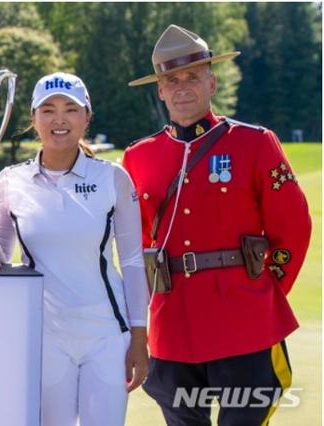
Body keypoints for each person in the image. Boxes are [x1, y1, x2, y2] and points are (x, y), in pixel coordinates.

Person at [123, 24, 311, 425]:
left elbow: (293, 226)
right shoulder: (139, 158)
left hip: (246, 321)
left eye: (192, 76)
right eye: (171, 80)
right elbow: (135, 245)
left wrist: (263, 290)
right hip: (172, 326)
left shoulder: (254, 144)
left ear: (212, 81)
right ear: (160, 90)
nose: (182, 87)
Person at [0, 72, 149, 426]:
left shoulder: (113, 178)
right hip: (45, 336)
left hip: (108, 336)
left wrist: (139, 336)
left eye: (70, 109)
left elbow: (134, 262)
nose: (59, 119)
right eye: (47, 110)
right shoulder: (10, 182)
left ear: (87, 117)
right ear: (33, 119)